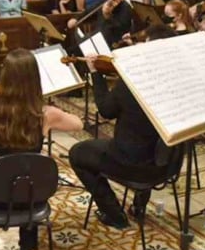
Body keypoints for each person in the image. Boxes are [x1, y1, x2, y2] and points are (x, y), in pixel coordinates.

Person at [0, 49, 82, 250]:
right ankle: (28, 242)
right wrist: (54, 112)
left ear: (4, 76)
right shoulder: (45, 114)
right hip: (32, 195)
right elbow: (78, 124)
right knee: (27, 168)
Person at [69, 25, 175, 229]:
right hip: (166, 165)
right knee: (148, 139)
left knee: (78, 153)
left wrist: (95, 73)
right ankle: (139, 206)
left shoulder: (133, 82)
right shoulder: (178, 82)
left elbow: (106, 110)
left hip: (132, 166)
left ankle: (114, 215)